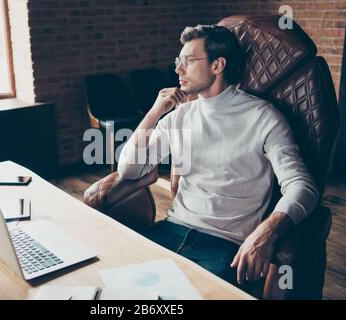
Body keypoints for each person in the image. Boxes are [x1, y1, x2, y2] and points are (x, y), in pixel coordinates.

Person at [117, 25, 318, 289]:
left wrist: (267, 230)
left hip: (225, 248)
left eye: (187, 61)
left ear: (217, 65)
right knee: (116, 287)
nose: (178, 69)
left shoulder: (263, 117)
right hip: (169, 231)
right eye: (179, 61)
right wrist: (153, 113)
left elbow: (302, 186)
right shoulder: (178, 117)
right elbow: (128, 171)